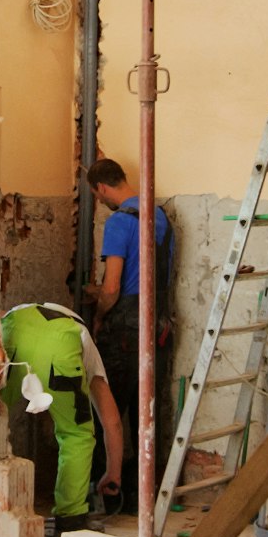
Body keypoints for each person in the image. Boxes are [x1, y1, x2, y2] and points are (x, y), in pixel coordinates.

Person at [0, 298, 122, 537]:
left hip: (12, 327)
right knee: (77, 433)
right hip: (60, 346)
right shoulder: (86, 343)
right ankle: (71, 517)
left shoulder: (26, 309)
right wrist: (113, 472)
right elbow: (111, 421)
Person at [90, 156, 175, 484]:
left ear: (101, 188)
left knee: (107, 411)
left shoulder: (119, 222)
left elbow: (112, 288)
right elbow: (146, 276)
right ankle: (147, 492)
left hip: (125, 331)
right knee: (148, 413)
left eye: (98, 198)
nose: (101, 203)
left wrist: (99, 314)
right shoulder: (159, 215)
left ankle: (104, 487)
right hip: (159, 326)